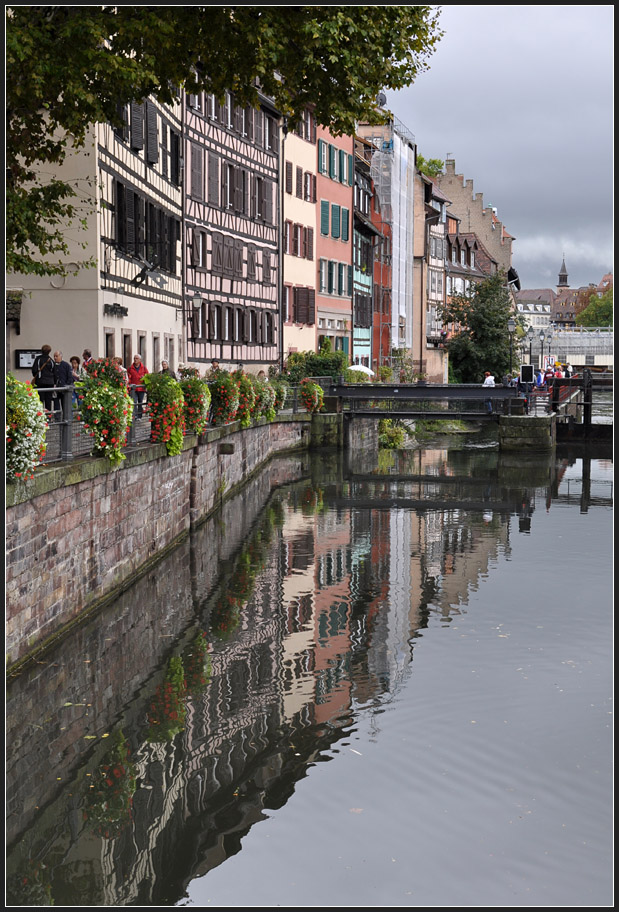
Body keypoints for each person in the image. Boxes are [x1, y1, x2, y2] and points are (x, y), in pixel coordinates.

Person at [31, 344, 56, 412]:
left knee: (40, 400)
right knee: (48, 401)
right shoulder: (51, 360)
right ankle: (49, 416)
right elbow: (55, 373)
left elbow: (34, 370)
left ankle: (41, 416)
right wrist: (54, 382)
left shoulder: (38, 359)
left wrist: (36, 377)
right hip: (50, 383)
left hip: (40, 382)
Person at [53, 350, 74, 419]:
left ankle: (66, 419)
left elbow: (70, 377)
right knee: (56, 405)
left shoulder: (66, 365)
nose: (55, 358)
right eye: (54, 356)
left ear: (61, 356)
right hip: (55, 389)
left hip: (64, 388)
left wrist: (66, 385)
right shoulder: (53, 365)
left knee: (65, 405)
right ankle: (57, 419)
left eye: (57, 356)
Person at [127, 353, 149, 418]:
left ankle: (139, 415)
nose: (135, 360)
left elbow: (147, 377)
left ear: (140, 360)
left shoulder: (144, 368)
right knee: (134, 402)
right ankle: (135, 415)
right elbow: (128, 377)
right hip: (134, 389)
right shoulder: (130, 368)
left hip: (141, 389)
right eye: (134, 358)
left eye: (137, 358)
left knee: (140, 402)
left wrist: (144, 379)